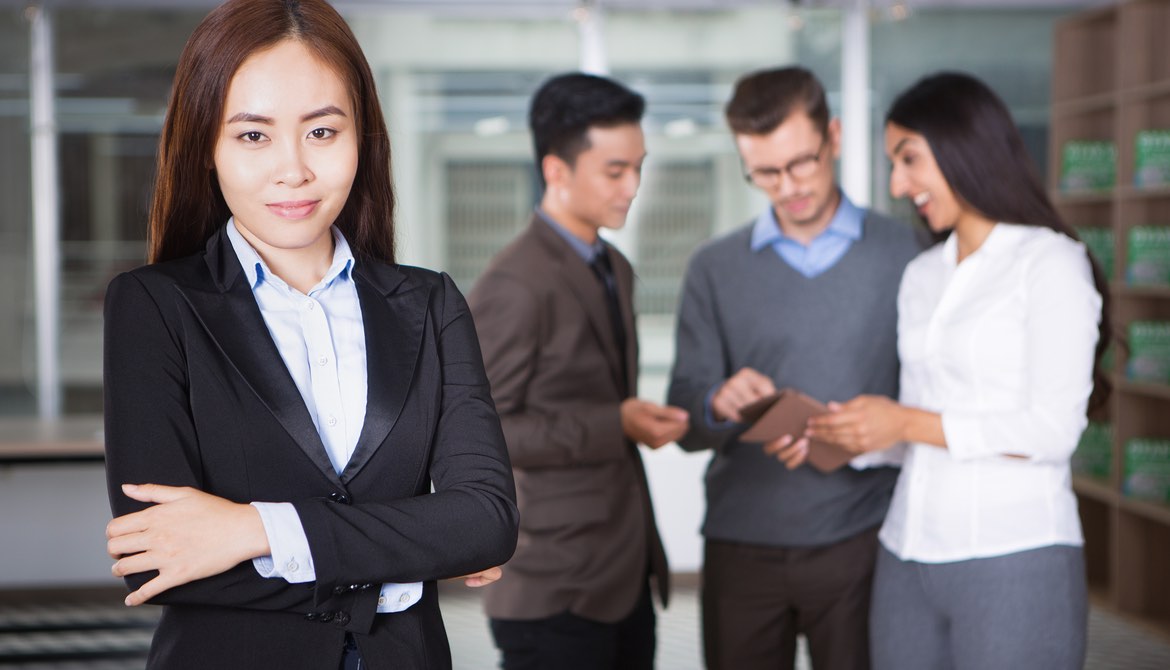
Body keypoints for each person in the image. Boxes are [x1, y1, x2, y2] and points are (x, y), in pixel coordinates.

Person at [101, 2, 518, 669]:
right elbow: (157, 560)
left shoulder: (429, 302)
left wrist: (252, 528)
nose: (292, 169)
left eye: (322, 132)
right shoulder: (155, 306)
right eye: (253, 136)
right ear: (206, 148)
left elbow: (487, 522)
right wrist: (413, 550)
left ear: (363, 138)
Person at [789, 72, 1110, 670]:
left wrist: (903, 422)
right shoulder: (922, 275)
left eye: (908, 159)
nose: (896, 183)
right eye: (893, 163)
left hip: (1015, 555)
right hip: (906, 552)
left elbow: (1050, 431)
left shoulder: (1049, 264)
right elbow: (916, 429)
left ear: (965, 145)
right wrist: (841, 434)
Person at [666, 66, 923, 670]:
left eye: (801, 162)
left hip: (866, 539)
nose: (787, 187)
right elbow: (685, 412)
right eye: (765, 172)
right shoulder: (713, 267)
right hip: (742, 542)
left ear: (833, 137)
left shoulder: (910, 255)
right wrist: (716, 402)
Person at [468, 72, 689, 670]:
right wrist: (614, 423)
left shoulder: (611, 264)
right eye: (615, 171)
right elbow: (488, 434)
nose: (633, 187)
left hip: (620, 569)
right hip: (554, 585)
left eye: (639, 167)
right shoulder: (515, 283)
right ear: (557, 170)